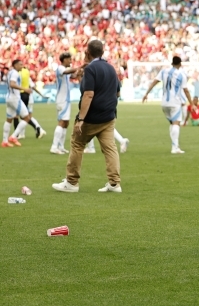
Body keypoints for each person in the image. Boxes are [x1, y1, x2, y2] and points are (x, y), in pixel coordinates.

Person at [52, 39, 122, 193]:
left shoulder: (91, 69)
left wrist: (81, 119)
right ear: (102, 52)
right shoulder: (111, 68)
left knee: (77, 144)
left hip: (92, 117)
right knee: (110, 149)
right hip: (109, 116)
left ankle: (71, 182)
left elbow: (88, 94)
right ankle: (115, 183)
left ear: (87, 53)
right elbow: (117, 92)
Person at [142, 56, 194, 153]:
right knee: (176, 123)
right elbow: (186, 90)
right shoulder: (181, 74)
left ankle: (175, 145)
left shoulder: (163, 71)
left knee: (172, 123)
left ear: (172, 63)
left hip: (164, 102)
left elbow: (154, 82)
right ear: (180, 64)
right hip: (175, 102)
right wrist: (192, 103)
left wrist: (146, 94)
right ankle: (175, 147)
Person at [50, 53, 79, 154]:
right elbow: (68, 71)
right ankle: (54, 146)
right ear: (64, 60)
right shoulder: (60, 68)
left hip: (65, 100)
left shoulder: (64, 70)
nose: (71, 61)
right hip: (62, 100)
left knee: (66, 123)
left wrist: (81, 72)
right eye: (69, 59)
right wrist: (79, 67)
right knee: (62, 122)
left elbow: (74, 75)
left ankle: (60, 146)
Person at [3, 60, 34, 147]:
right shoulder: (15, 73)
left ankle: (5, 141)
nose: (22, 66)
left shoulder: (10, 72)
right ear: (15, 65)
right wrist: (24, 89)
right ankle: (13, 136)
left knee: (9, 119)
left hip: (9, 97)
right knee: (27, 118)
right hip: (15, 98)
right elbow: (12, 84)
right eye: (20, 64)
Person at [13, 64, 45, 139]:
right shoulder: (24, 76)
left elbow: (32, 87)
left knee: (23, 116)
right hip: (26, 97)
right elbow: (33, 87)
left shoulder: (19, 75)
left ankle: (38, 128)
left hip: (24, 97)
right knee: (23, 116)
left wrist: (41, 94)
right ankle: (21, 134)